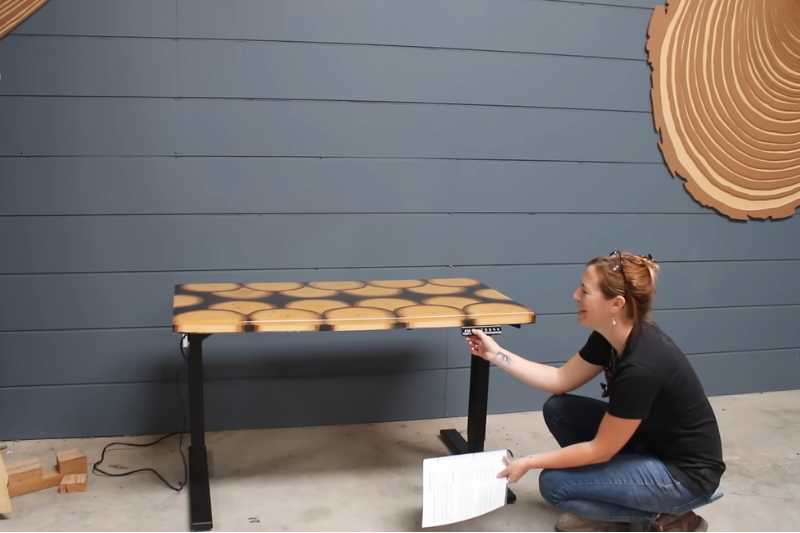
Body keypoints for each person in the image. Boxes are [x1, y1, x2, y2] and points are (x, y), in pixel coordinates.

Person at [465, 251, 725, 532]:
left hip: (683, 476)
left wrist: (528, 462)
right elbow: (560, 379)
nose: (575, 295)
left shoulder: (642, 365)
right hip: (649, 445)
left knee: (555, 485)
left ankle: (670, 517)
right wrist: (496, 354)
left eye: (585, 291)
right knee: (559, 410)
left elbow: (600, 450)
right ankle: (618, 497)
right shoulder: (611, 338)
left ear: (616, 303)